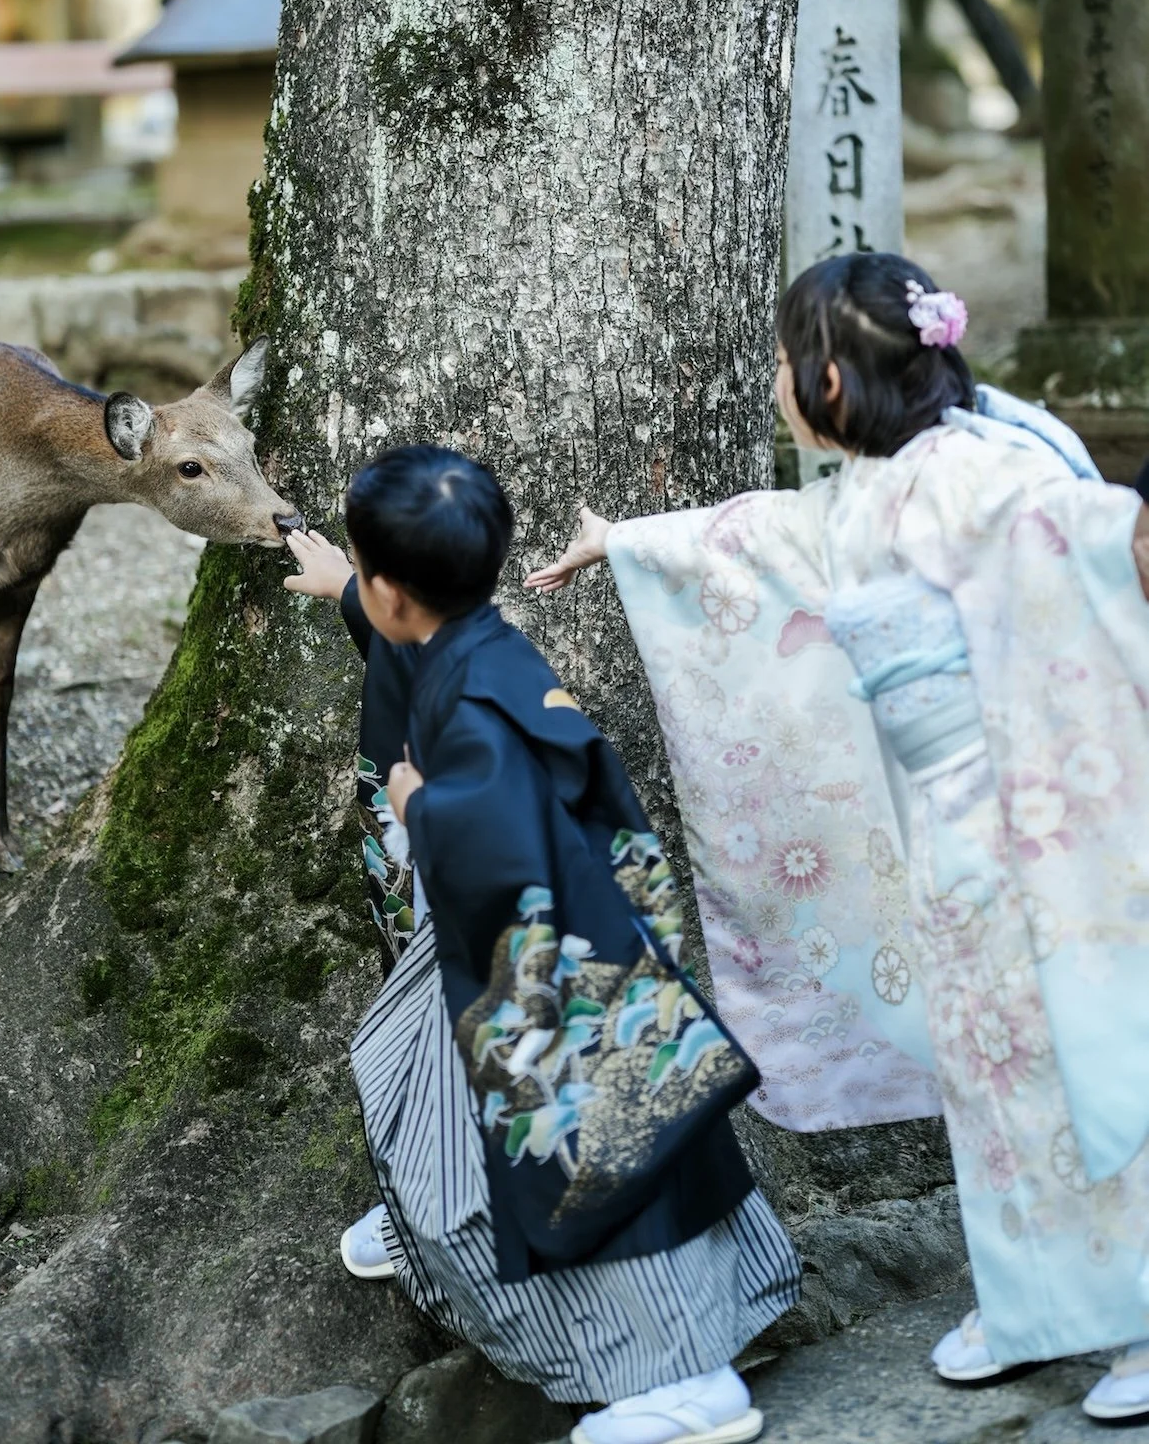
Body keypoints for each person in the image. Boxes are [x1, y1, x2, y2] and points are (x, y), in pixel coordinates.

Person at [529, 252, 1149, 1425]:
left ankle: (1138, 1313)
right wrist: (628, 541)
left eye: (776, 362)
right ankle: (1033, 1304)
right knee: (991, 1078)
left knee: (1081, 1061)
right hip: (949, 836)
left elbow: (1085, 534)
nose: (772, 382)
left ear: (823, 374)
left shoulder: (971, 474)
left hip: (1029, 818)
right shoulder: (875, 485)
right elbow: (767, 536)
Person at [284, 445, 800, 1444]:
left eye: (362, 569)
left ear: (396, 588)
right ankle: (673, 1338)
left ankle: (681, 1385)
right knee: (484, 1109)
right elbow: (411, 642)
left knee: (586, 1155)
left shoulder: (473, 707)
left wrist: (419, 807)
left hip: (549, 966)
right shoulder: (480, 648)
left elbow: (493, 828)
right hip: (553, 939)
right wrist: (352, 594)